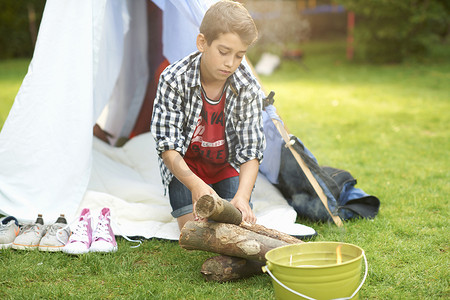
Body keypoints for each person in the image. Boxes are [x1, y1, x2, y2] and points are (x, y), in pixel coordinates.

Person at [151, 0, 265, 230]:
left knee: (237, 225)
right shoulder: (174, 79)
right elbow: (168, 146)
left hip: (226, 167)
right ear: (202, 42)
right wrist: (196, 186)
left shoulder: (247, 85)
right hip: (186, 171)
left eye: (239, 55)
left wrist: (242, 197)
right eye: (224, 52)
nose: (230, 63)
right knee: (193, 229)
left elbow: (251, 149)